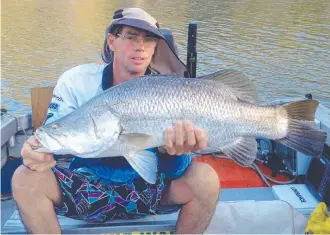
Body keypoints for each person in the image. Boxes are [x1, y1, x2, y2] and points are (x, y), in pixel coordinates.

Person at [12, 8, 220, 234]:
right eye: (131, 37)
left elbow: (176, 172)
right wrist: (36, 152)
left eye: (149, 40)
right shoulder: (76, 81)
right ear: (112, 41)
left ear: (154, 49)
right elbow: (53, 131)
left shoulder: (168, 92)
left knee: (205, 179)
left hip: (148, 191)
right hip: (85, 188)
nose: (140, 46)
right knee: (24, 178)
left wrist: (173, 152)